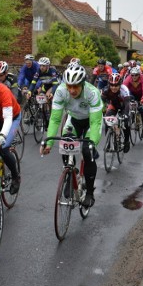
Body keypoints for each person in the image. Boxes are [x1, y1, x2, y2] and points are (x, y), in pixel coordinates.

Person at [41, 64, 102, 207]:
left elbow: (95, 123)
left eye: (76, 86)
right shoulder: (61, 91)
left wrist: (92, 142)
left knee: (88, 151)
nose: (72, 90)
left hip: (90, 122)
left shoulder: (92, 92)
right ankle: (70, 173)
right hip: (73, 120)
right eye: (69, 86)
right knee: (65, 143)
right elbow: (55, 119)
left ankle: (90, 193)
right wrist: (48, 143)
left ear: (82, 84)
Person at [102, 73, 131, 152]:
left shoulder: (124, 89)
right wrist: (102, 109)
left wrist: (125, 114)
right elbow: (101, 102)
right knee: (107, 120)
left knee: (125, 123)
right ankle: (108, 143)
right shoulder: (106, 90)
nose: (113, 87)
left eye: (116, 85)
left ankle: (126, 141)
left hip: (123, 106)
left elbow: (127, 103)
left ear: (120, 84)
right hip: (113, 105)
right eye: (112, 85)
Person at [123, 66, 143, 139]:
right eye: (132, 75)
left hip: (141, 94)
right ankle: (131, 118)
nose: (134, 77)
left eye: (136, 75)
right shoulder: (128, 78)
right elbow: (124, 88)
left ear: (139, 75)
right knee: (128, 106)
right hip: (132, 94)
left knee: (142, 110)